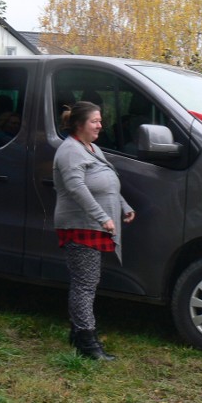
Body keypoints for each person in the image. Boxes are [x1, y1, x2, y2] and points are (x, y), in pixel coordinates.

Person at [53, 101, 135, 360]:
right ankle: (87, 343)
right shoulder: (70, 151)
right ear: (79, 124)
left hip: (94, 224)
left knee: (88, 282)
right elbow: (77, 188)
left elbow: (107, 181)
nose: (100, 125)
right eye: (95, 121)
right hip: (80, 224)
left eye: (100, 121)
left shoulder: (91, 148)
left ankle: (78, 333)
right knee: (85, 284)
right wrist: (103, 217)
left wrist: (123, 205)